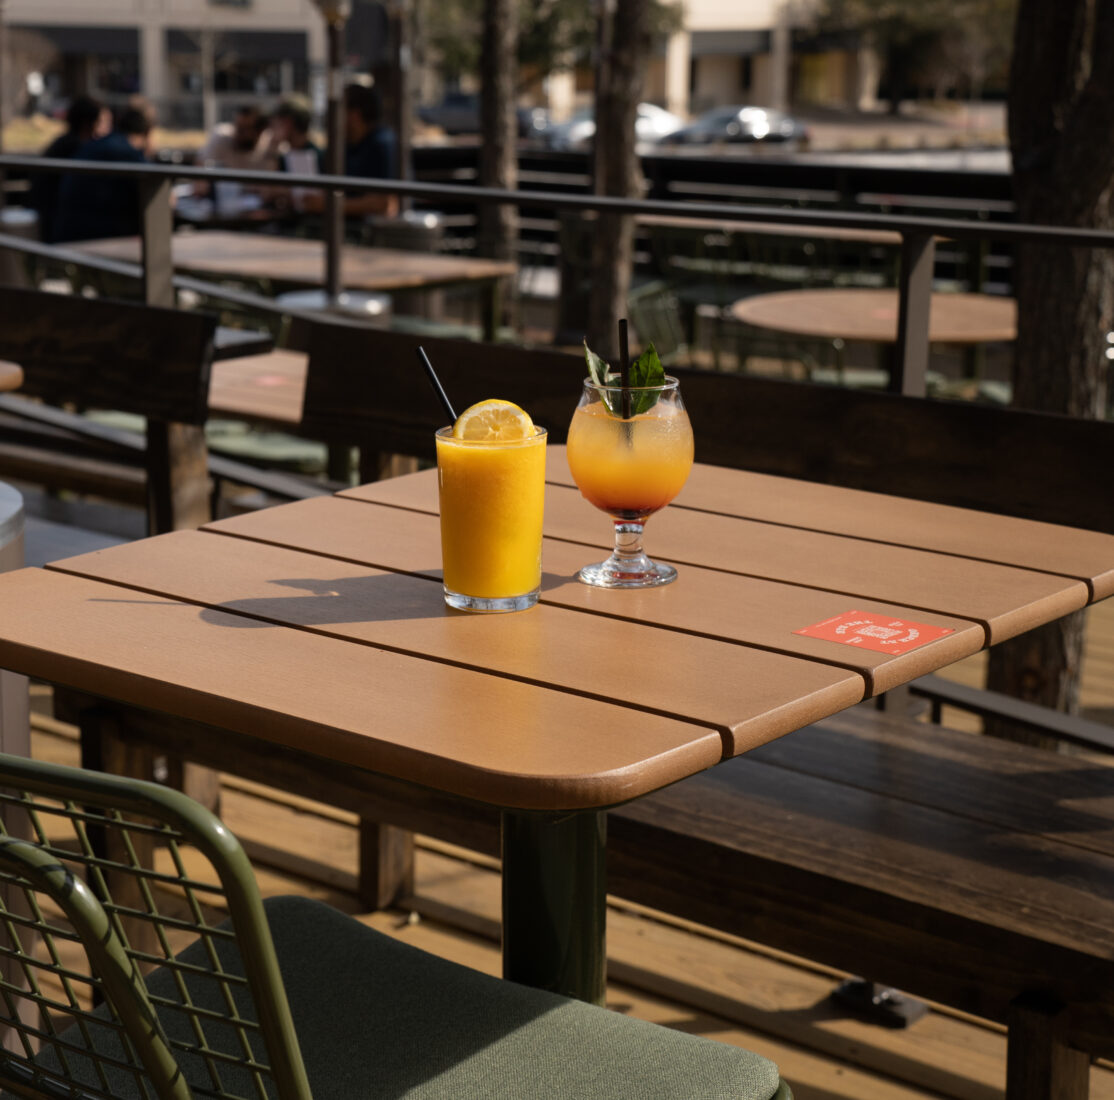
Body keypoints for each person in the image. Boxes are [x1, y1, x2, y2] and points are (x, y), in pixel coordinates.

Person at [53, 107, 154, 243]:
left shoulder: (94, 145)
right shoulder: (129, 153)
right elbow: (158, 194)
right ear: (147, 134)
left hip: (66, 233)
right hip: (96, 240)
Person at [299, 83, 397, 218]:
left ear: (355, 114)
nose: (331, 117)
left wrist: (327, 205)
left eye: (336, 110)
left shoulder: (382, 143)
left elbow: (384, 204)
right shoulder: (342, 145)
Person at [28, 94, 111, 243]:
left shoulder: (63, 144)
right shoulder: (80, 151)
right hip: (61, 229)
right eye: (104, 123)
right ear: (88, 124)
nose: (108, 130)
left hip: (50, 222)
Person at [197, 105, 277, 172]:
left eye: (244, 129)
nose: (238, 133)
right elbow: (200, 163)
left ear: (259, 131)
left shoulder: (271, 143)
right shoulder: (222, 135)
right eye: (237, 127)